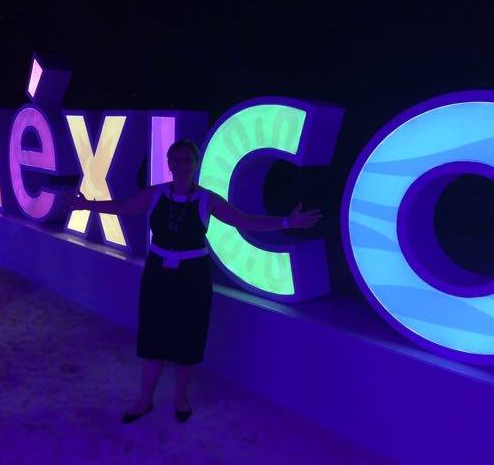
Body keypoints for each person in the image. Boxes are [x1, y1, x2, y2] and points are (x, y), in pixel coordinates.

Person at [70, 139, 322, 424]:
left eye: (187, 160)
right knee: (152, 336)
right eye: (176, 159)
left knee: (188, 338)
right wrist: (87, 205)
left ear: (196, 164)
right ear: (169, 163)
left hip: (192, 276)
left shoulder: (206, 199)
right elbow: (124, 206)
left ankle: (180, 398)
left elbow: (246, 221)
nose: (181, 165)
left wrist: (287, 222)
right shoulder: (156, 193)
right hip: (157, 273)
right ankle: (144, 399)